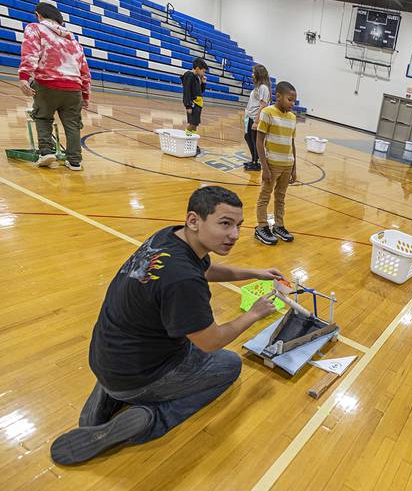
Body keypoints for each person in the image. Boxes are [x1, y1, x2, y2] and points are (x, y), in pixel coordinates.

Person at [50, 187, 284, 465]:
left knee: (165, 343)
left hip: (104, 356)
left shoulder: (169, 238)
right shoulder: (183, 280)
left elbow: (204, 270)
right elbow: (210, 341)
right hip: (139, 372)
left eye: (238, 226)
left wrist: (253, 272)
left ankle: (110, 392)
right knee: (229, 366)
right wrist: (254, 314)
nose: (234, 235)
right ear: (194, 221)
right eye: (225, 224)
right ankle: (150, 419)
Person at [18, 2, 90, 171]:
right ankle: (75, 161)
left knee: (43, 117)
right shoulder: (74, 41)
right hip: (74, 88)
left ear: (38, 15)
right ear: (61, 21)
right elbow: (85, 71)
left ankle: (46, 152)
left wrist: (24, 77)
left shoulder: (35, 28)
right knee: (72, 124)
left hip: (47, 83)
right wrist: (85, 95)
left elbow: (30, 52)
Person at [254, 81, 298, 245]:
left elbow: (292, 143)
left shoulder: (293, 118)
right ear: (278, 96)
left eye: (294, 101)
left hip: (287, 164)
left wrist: (294, 168)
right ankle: (261, 227)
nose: (292, 104)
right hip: (271, 164)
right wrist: (264, 167)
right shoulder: (268, 113)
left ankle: (279, 225)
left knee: (281, 197)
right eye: (290, 99)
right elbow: (259, 141)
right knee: (265, 196)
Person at [243, 64, 271, 171]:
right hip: (250, 116)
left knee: (255, 140)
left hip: (256, 118)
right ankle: (254, 159)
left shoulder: (263, 87)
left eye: (253, 72)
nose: (252, 74)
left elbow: (263, 106)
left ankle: (257, 163)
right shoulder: (258, 87)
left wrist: (256, 121)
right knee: (248, 137)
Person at [182, 58, 207, 156]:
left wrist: (203, 83)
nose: (203, 74)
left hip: (198, 104)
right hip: (193, 104)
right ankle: (187, 141)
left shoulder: (197, 77)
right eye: (203, 71)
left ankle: (191, 142)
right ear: (197, 68)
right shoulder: (189, 76)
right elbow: (186, 91)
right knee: (192, 124)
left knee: (195, 125)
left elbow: (200, 92)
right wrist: (188, 105)